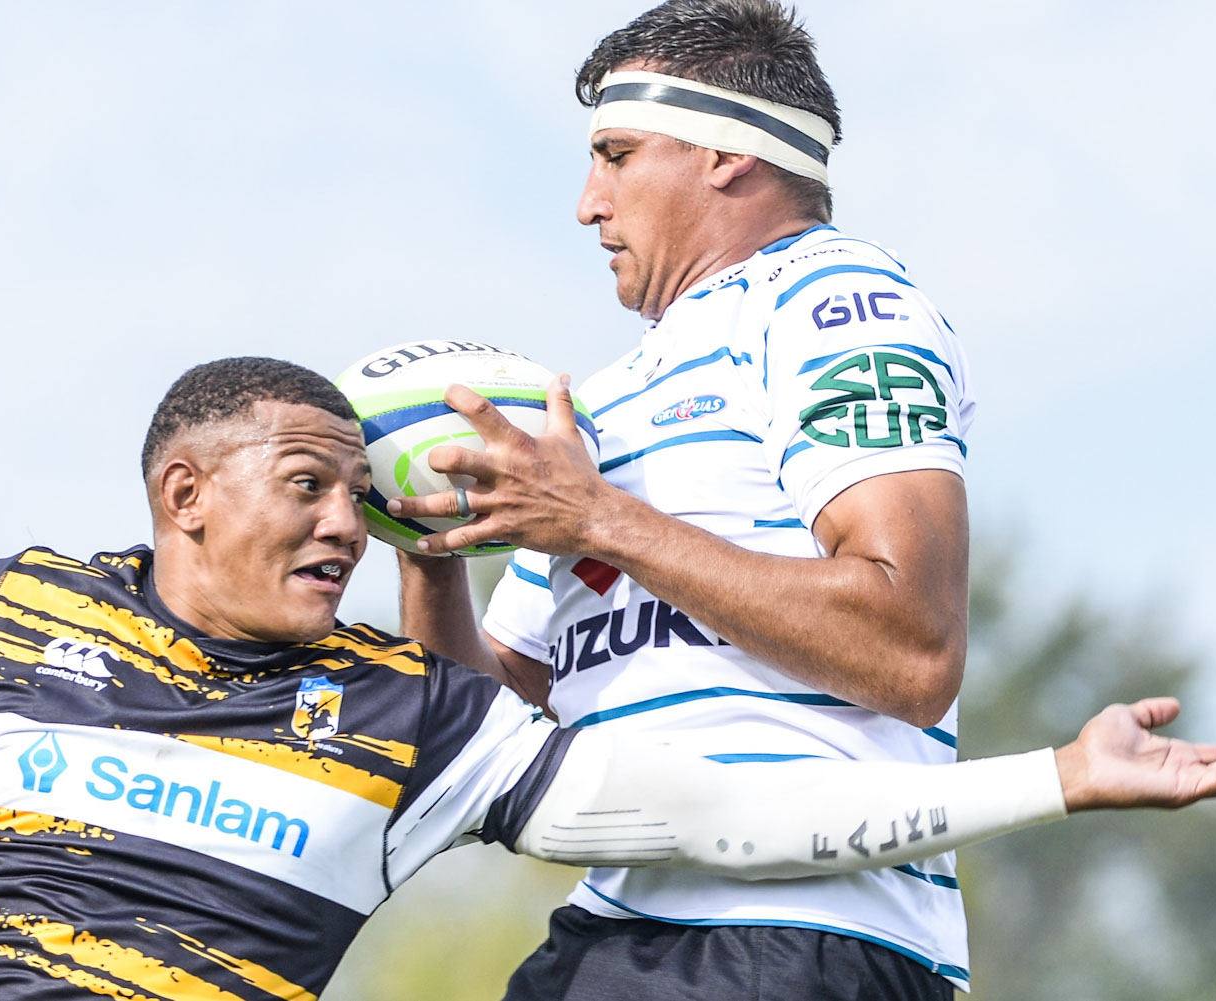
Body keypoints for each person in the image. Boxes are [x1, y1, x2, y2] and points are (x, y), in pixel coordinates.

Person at [0, 358, 1216, 1001]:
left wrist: (1055, 779)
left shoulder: (417, 715)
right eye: (310, 486)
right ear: (183, 494)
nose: (343, 525)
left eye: (361, 501)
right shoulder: (0, 613)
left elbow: (742, 823)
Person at [383, 1, 1131, 997]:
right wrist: (424, 551)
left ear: (726, 152)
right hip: (616, 928)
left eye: (615, 155)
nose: (587, 204)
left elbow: (910, 648)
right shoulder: (599, 403)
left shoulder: (835, 299)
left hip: (800, 930)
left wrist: (600, 520)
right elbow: (485, 728)